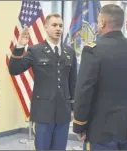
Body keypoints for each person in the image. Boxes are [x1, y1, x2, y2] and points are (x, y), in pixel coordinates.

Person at [72, 4, 127, 150]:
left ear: (102, 22)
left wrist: (79, 124)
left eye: (98, 20)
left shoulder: (93, 50)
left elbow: (84, 90)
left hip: (101, 129)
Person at [9, 13, 77, 150]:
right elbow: (14, 69)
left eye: (60, 26)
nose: (58, 28)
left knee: (60, 148)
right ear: (45, 27)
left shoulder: (69, 51)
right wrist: (20, 45)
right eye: (54, 25)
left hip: (63, 111)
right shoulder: (35, 50)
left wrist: (73, 108)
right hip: (43, 111)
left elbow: (73, 81)